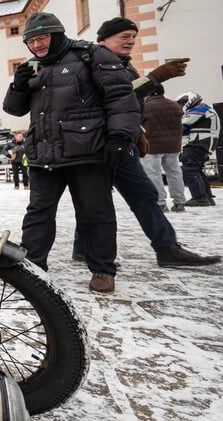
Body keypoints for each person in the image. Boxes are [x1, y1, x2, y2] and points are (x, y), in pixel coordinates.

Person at [3, 12, 141, 294]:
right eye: (31, 41)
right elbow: (14, 109)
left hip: (87, 150)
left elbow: (121, 98)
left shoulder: (92, 55)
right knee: (38, 213)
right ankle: (32, 267)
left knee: (94, 211)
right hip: (44, 152)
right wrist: (18, 85)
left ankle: (102, 269)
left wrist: (120, 137)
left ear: (57, 34)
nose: (37, 45)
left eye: (42, 38)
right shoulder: (33, 67)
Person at [75, 17, 218, 267]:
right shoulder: (89, 65)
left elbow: (128, 106)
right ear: (103, 40)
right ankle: (85, 248)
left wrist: (137, 131)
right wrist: (154, 78)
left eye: (133, 36)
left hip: (122, 142)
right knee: (96, 200)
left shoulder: (126, 67)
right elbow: (114, 95)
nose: (131, 41)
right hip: (97, 142)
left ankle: (166, 247)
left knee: (142, 194)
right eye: (124, 36)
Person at [141, 86, 186, 212]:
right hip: (173, 145)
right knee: (175, 172)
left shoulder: (145, 107)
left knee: (154, 174)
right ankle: (179, 202)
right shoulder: (175, 105)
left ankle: (160, 202)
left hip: (152, 145)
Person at [178, 91, 219, 206]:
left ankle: (199, 198)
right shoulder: (205, 109)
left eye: (182, 103)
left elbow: (181, 127)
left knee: (189, 169)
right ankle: (207, 196)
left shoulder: (199, 109)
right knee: (196, 169)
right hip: (201, 144)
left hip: (196, 144)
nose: (181, 106)